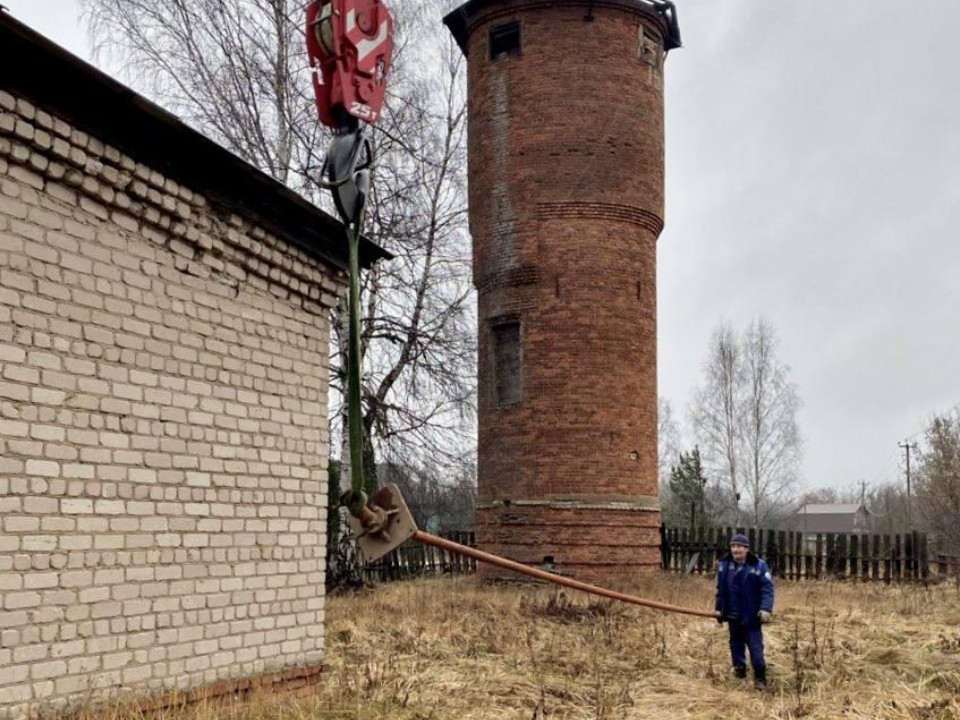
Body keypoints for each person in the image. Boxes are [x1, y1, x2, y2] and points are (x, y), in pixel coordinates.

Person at [714, 533, 774, 690]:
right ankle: (740, 674)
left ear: (747, 549)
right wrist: (718, 609)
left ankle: (760, 677)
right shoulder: (724, 565)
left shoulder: (758, 565)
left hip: (751, 616)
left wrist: (766, 608)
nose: (736, 550)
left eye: (739, 547)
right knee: (736, 646)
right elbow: (720, 590)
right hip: (732, 615)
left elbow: (767, 589)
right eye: (733, 546)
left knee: (755, 648)